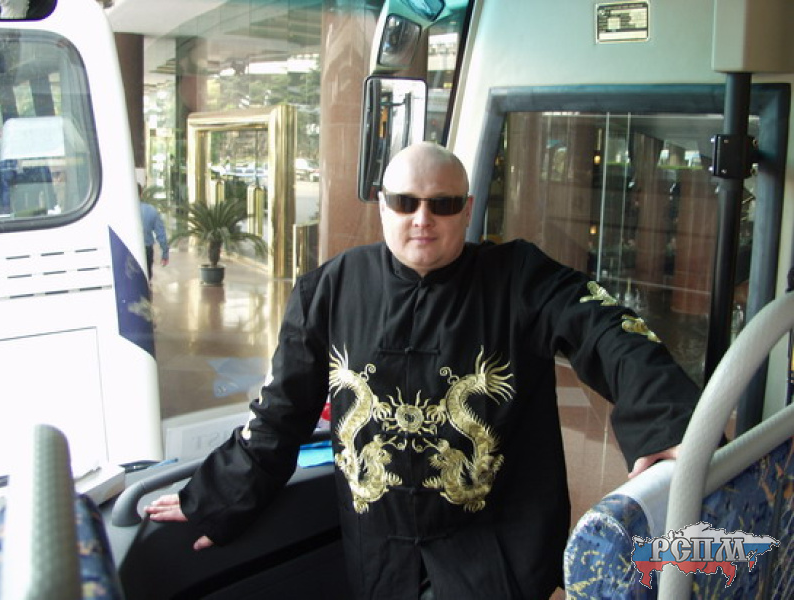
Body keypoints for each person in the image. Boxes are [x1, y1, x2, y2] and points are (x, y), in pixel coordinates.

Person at [147, 142, 700, 599]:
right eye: (405, 202)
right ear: (381, 204)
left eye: (443, 204)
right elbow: (281, 410)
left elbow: (610, 331)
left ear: (468, 207)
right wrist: (216, 499)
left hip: (494, 549)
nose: (422, 219)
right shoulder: (330, 289)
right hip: (379, 552)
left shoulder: (520, 278)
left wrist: (670, 423)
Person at [139, 186, 169, 281]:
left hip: (125, 251)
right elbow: (161, 234)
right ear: (141, 194)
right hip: (146, 250)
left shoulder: (120, 210)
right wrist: (165, 254)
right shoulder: (150, 210)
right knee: (146, 279)